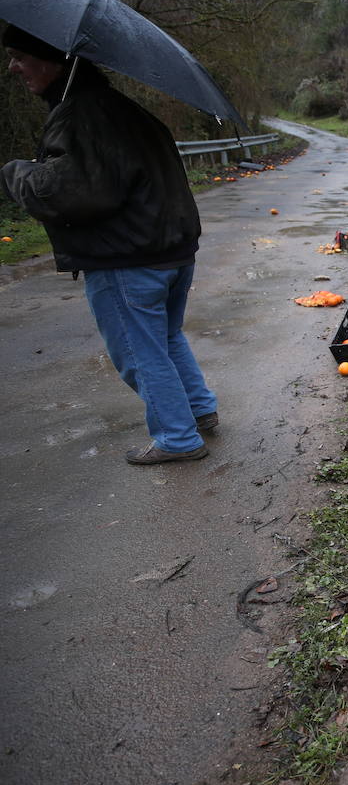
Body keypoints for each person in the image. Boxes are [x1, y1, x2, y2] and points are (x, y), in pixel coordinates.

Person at [1, 23, 217, 464]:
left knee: (140, 352)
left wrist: (15, 172)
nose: (13, 67)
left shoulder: (83, 114)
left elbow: (69, 192)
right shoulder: (125, 109)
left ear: (52, 60)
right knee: (166, 338)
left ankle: (178, 438)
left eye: (20, 56)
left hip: (128, 258)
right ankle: (199, 410)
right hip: (171, 251)